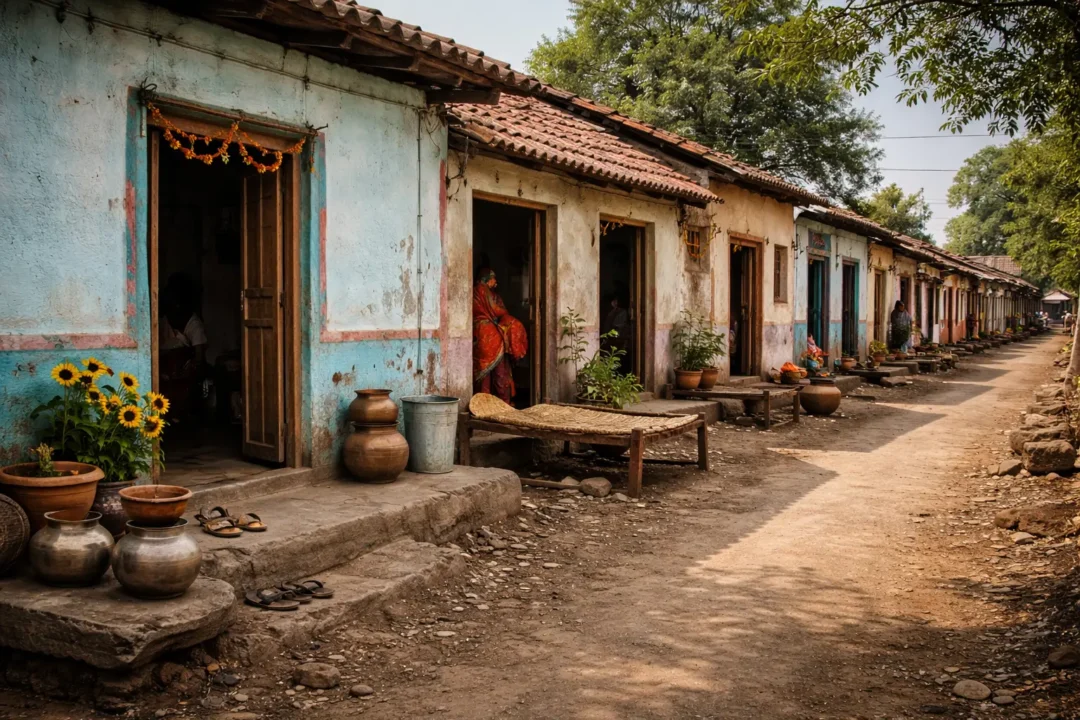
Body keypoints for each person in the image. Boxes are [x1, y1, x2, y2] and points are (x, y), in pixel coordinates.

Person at [473, 268, 528, 405]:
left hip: (481, 333)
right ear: (487, 279)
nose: (495, 282)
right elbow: (496, 310)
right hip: (489, 335)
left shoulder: (480, 292)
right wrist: (505, 312)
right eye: (493, 279)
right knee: (499, 372)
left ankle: (483, 405)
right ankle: (500, 404)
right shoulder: (482, 289)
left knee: (484, 373)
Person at [160, 273, 208, 418]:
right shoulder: (164, 320)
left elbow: (199, 358)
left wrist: (184, 371)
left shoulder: (194, 325)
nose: (174, 308)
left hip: (184, 372)